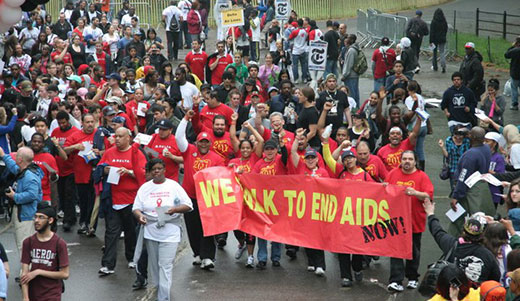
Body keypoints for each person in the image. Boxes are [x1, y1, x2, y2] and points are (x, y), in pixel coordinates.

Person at [132, 158, 192, 301]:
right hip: (151, 232)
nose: (157, 171)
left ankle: (163, 298)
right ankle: (160, 288)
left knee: (165, 266)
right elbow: (136, 208)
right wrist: (140, 216)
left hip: (170, 232)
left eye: (159, 168)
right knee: (155, 268)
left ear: (165, 170)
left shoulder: (174, 186)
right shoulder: (145, 188)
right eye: (154, 169)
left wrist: (175, 209)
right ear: (150, 172)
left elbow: (188, 205)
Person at [175, 110, 225, 269]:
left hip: (208, 198)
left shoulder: (217, 158)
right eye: (201, 142)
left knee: (208, 227)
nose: (203, 144)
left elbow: (222, 177)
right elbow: (179, 138)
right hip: (190, 197)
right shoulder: (189, 151)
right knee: (192, 226)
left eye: (206, 142)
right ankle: (197, 253)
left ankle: (208, 257)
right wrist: (185, 118)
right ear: (196, 143)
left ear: (210, 144)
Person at [97, 127, 146, 275]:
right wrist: (104, 170)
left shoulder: (136, 153)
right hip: (113, 199)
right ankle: (108, 265)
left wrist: (129, 172)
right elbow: (99, 166)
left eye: (120, 136)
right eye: (115, 136)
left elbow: (144, 175)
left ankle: (132, 258)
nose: (117, 139)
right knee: (111, 233)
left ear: (128, 138)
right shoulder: (109, 152)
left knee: (131, 231)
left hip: (132, 200)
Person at [386, 151, 434, 292]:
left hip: (415, 221)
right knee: (396, 251)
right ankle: (396, 280)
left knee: (413, 251)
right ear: (400, 161)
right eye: (404, 159)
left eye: (410, 159)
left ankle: (412, 277)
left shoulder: (421, 176)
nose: (407, 161)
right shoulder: (393, 174)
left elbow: (428, 196)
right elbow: (384, 190)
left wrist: (415, 193)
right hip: (396, 221)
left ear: (415, 161)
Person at [424, 199, 501, 284]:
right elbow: (495, 278)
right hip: (475, 295)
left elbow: (437, 231)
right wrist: (496, 223)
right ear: (482, 234)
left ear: (463, 231)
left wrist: (430, 213)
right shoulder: (488, 255)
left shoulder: (450, 244)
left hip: (451, 293)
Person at [449, 127, 494, 235]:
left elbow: (463, 177)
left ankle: (456, 240)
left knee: (460, 219)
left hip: (469, 191)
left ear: (471, 137)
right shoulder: (486, 149)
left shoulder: (470, 155)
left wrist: (456, 195)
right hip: (481, 189)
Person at [0, 146, 43, 259]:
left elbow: (32, 195)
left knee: (24, 245)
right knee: (24, 244)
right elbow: (14, 167)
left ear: (20, 160)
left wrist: (15, 196)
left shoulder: (29, 176)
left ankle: (26, 273)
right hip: (22, 213)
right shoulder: (24, 170)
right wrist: (3, 156)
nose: (15, 158)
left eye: (17, 156)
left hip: (26, 216)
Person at [20, 203, 69, 301]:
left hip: (52, 295)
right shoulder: (28, 242)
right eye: (36, 217)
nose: (37, 221)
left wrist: (38, 272)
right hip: (33, 294)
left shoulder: (59, 243)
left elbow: (65, 274)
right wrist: (25, 297)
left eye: (41, 217)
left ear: (50, 220)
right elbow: (24, 274)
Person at [438, 126, 471, 194]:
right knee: (454, 189)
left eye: (460, 135)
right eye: (456, 135)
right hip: (453, 169)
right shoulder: (449, 140)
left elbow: (468, 155)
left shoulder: (467, 141)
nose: (458, 137)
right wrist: (442, 147)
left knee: (463, 189)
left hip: (464, 168)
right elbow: (447, 155)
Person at [341, 34, 361, 105]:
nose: (346, 39)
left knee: (351, 93)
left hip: (350, 75)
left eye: (348, 38)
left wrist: (344, 75)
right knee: (355, 92)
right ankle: (357, 106)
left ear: (352, 40)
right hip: (354, 74)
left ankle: (354, 108)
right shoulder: (355, 49)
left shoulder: (351, 50)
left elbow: (349, 64)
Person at [289, 18, 309, 84]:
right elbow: (307, 39)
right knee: (304, 65)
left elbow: (289, 38)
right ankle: (304, 78)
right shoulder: (305, 31)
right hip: (303, 50)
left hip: (296, 51)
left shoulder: (295, 31)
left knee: (295, 65)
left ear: (297, 24)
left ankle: (296, 79)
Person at [429, 8, 448, 73]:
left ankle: (435, 66)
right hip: (442, 39)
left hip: (434, 39)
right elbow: (446, 30)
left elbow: (432, 32)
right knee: (442, 52)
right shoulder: (444, 21)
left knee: (434, 53)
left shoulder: (434, 21)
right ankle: (443, 66)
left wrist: (430, 41)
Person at [505, 37, 520, 110]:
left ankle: (515, 104)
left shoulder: (515, 50)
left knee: (514, 88)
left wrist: (513, 46)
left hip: (516, 73)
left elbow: (506, 55)